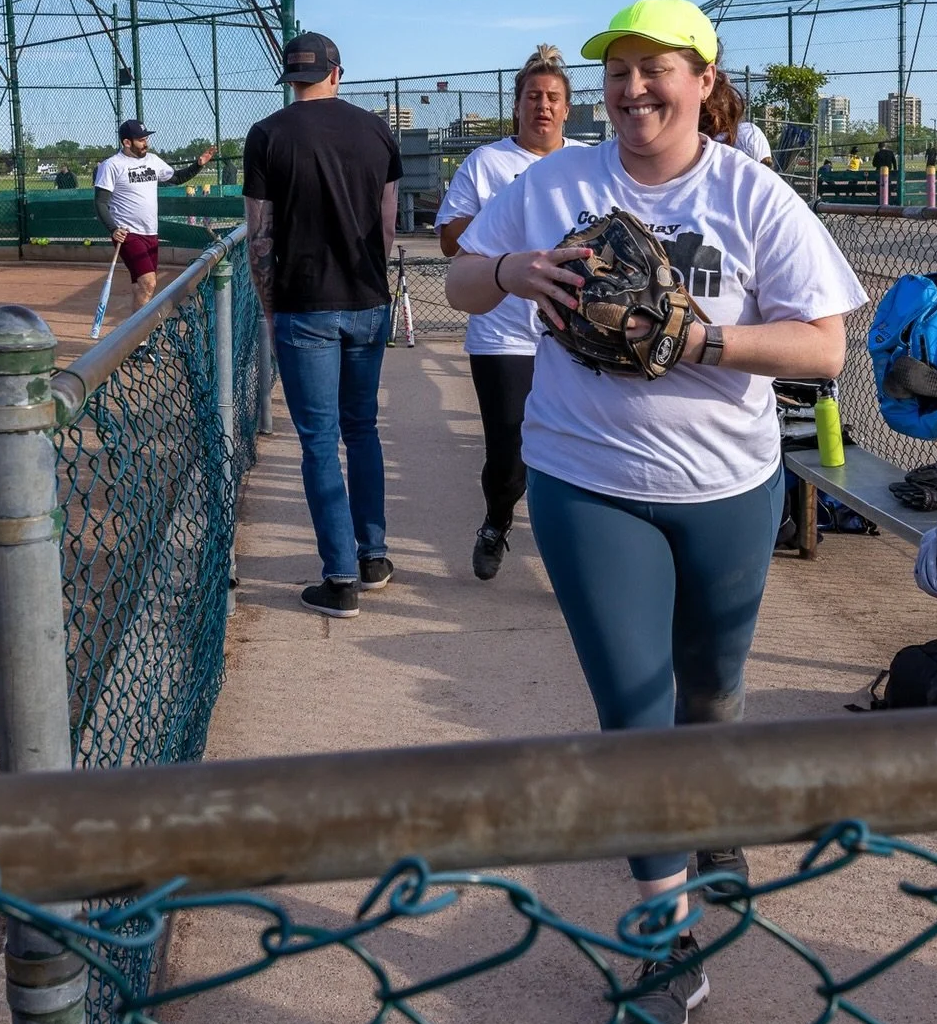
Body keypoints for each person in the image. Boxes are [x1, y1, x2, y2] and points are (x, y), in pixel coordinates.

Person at [445, 0, 865, 1024]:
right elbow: (458, 282)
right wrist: (511, 270)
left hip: (728, 483)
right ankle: (665, 939)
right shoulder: (555, 184)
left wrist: (702, 342)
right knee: (636, 710)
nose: (634, 88)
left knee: (711, 688)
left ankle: (708, 814)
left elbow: (823, 348)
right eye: (619, 70)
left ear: (703, 81)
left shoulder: (752, 195)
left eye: (657, 68)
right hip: (589, 478)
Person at [243, 32, 402, 619]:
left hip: (302, 304)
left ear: (290, 77)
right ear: (338, 72)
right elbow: (386, 226)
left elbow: (260, 233)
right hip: (366, 298)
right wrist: (370, 282)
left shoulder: (268, 135)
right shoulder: (376, 129)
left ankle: (338, 579)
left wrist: (268, 303)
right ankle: (374, 557)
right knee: (362, 429)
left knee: (317, 439)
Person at [436, 45, 582, 581]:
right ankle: (497, 521)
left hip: (573, 333)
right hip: (504, 334)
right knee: (509, 450)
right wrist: (510, 209)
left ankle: (568, 553)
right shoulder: (488, 163)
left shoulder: (586, 161)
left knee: (575, 448)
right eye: (532, 97)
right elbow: (453, 242)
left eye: (553, 98)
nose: (542, 106)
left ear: (568, 109)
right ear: (516, 106)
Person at [94, 120, 215, 314]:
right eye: (141, 140)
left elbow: (176, 178)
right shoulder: (112, 165)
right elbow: (100, 202)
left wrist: (198, 165)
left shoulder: (152, 160)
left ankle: (135, 334)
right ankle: (141, 338)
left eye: (146, 139)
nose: (146, 143)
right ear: (127, 142)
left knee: (141, 286)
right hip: (127, 234)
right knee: (148, 282)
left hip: (151, 232)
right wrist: (113, 229)